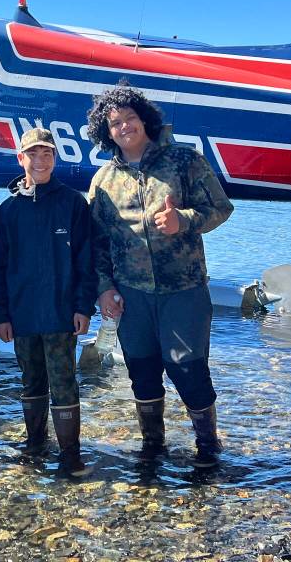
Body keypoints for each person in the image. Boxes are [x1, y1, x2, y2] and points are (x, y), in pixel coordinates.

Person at [85, 85, 234, 468]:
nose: (123, 127)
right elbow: (96, 242)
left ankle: (208, 446)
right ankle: (153, 446)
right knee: (142, 370)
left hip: (183, 290)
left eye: (130, 118)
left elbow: (221, 207)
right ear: (107, 132)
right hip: (132, 296)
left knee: (189, 369)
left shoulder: (185, 161)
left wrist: (183, 220)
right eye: (114, 123)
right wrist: (103, 287)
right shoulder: (102, 181)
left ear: (145, 120)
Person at [0, 128, 96, 477]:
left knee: (64, 381)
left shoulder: (72, 203)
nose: (40, 160)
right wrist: (1, 315)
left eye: (47, 154)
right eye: (32, 154)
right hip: (21, 316)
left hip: (60, 313)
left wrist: (84, 307)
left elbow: (86, 260)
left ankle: (70, 455)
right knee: (30, 381)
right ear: (21, 159)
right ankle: (34, 445)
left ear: (55, 158)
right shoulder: (7, 211)